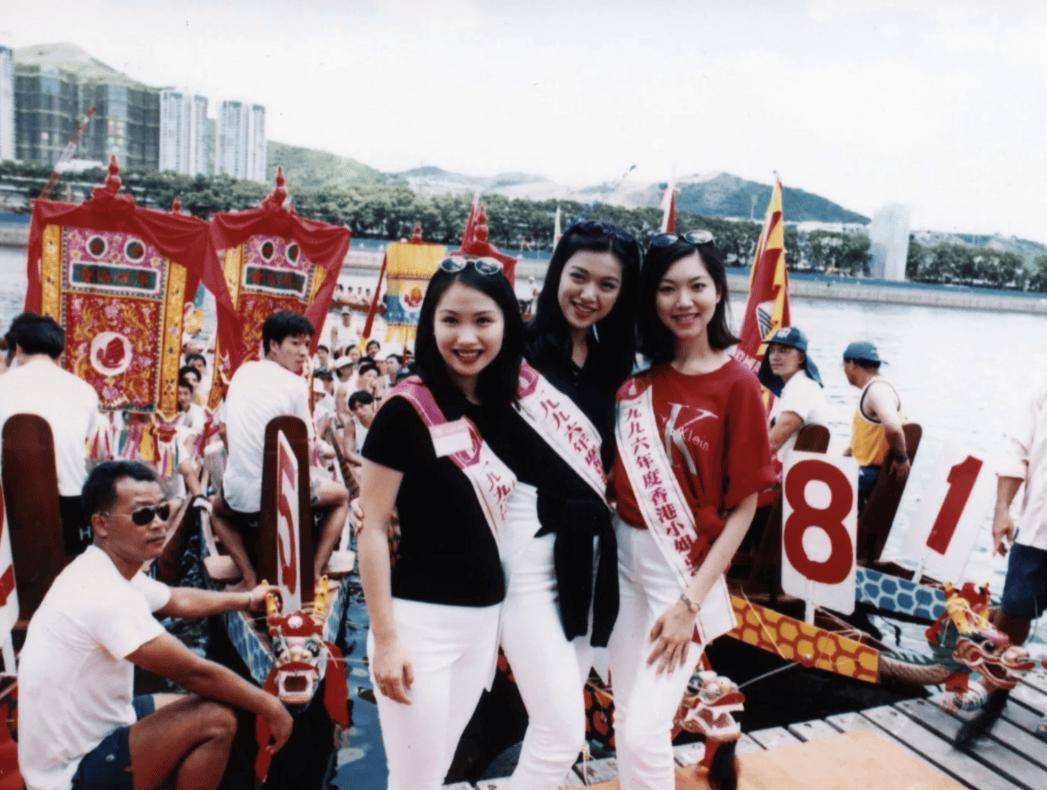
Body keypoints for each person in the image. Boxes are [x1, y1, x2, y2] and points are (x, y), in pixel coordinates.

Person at [608, 230, 775, 787]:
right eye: (667, 288)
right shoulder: (635, 376)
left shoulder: (739, 384)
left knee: (645, 731)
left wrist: (689, 604)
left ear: (718, 290)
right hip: (621, 559)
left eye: (697, 286)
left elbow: (745, 508)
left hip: (680, 574)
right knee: (626, 716)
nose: (684, 302)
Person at [17, 460, 292, 789]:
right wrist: (271, 705)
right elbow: (193, 673)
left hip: (92, 730)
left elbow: (177, 599)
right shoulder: (104, 593)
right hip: (66, 775)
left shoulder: (104, 569)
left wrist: (247, 599)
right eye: (143, 515)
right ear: (101, 524)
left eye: (162, 511)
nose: (159, 523)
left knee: (214, 702)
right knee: (216, 720)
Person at [358, 257, 525, 789]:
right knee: (414, 780)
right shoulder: (405, 410)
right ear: (429, 323)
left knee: (438, 771)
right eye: (451, 320)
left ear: (506, 324)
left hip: (483, 622)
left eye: (483, 320)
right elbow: (372, 527)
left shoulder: (505, 407)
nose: (467, 337)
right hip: (419, 626)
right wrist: (386, 639)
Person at [500, 220, 641, 787]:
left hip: (592, 550)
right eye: (579, 277)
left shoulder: (616, 365)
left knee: (552, 723)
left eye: (608, 285)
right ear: (558, 272)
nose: (589, 294)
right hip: (525, 545)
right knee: (562, 729)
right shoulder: (513, 347)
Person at [210, 311, 349, 588]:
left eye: (306, 344)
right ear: (273, 345)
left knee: (215, 512)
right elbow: (306, 443)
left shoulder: (242, 373)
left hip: (239, 495)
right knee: (342, 497)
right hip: (278, 499)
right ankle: (314, 572)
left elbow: (224, 430)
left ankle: (248, 575)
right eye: (295, 344)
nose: (303, 352)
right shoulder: (295, 385)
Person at [0, 312, 99, 555]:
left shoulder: (3, 385)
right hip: (70, 503)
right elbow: (85, 441)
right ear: (59, 352)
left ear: (18, 347)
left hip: (10, 503)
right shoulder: (85, 390)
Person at [991, 381, 1047, 650]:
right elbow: (1017, 453)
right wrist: (1002, 510)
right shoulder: (1041, 394)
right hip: (1039, 530)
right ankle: (992, 671)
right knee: (1013, 614)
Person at [842, 340, 909, 510]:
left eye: (843, 365)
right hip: (867, 472)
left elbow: (894, 429)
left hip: (869, 476)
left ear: (852, 364)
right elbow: (873, 435)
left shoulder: (877, 390)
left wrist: (901, 459)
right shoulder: (876, 388)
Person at [757, 326, 829, 468]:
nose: (775, 356)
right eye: (772, 350)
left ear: (801, 357)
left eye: (784, 350)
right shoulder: (790, 387)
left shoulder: (802, 386)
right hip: (789, 468)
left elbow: (773, 442)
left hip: (795, 474)